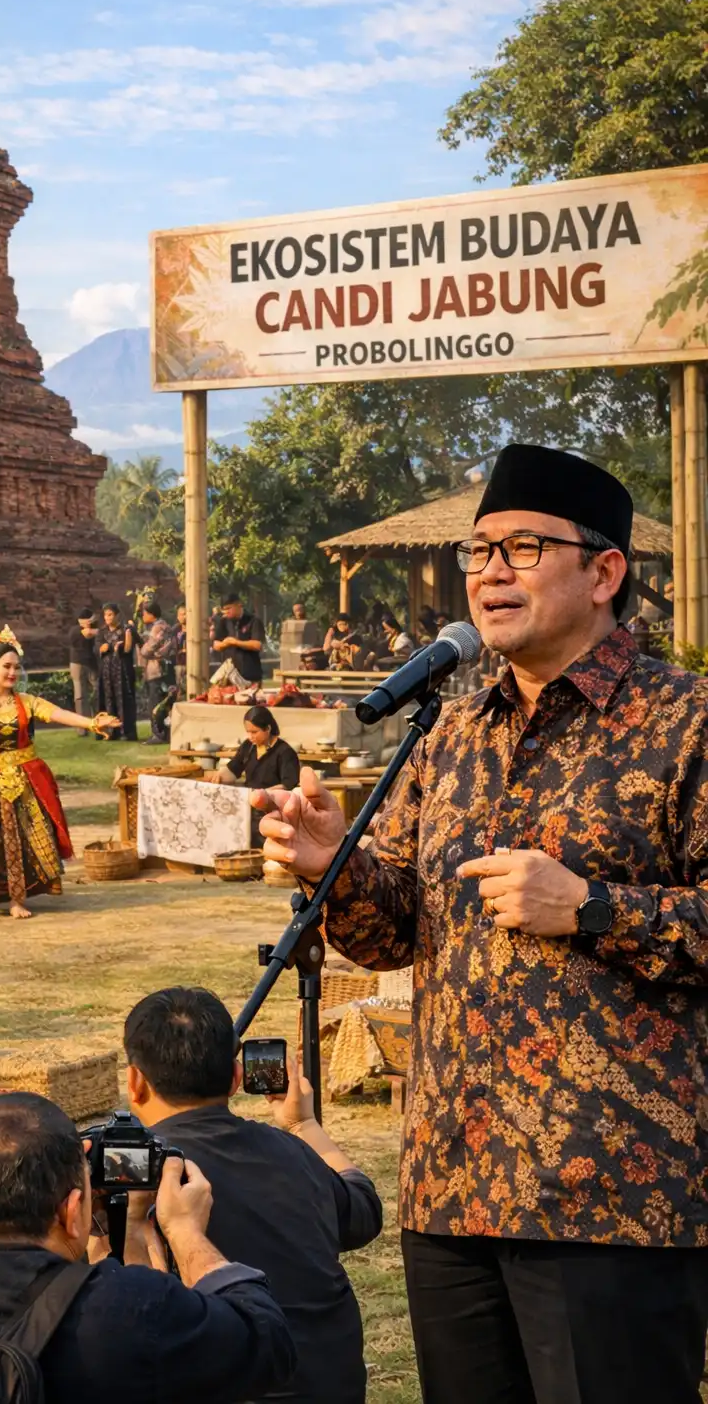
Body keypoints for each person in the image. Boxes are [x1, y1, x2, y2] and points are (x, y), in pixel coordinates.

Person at [256, 441, 708, 1404]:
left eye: (522, 548)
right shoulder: (449, 731)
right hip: (453, 1182)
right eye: (477, 552)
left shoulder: (687, 722)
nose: (490, 572)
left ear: (604, 573)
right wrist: (333, 869)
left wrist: (589, 907)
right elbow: (395, 936)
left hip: (611, 1197)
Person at [0, 1092, 297, 1404]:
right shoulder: (129, 1309)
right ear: (72, 1209)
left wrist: (101, 1237)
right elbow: (267, 1345)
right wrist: (184, 1232)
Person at [124, 987, 382, 1404]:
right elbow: (364, 1211)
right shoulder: (293, 1151)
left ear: (135, 1082)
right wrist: (304, 1126)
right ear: (236, 1078)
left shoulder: (133, 1174)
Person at [0, 622, 117, 919]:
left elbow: (57, 713)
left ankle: (17, 900)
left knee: (21, 844)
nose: (12, 673)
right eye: (6, 666)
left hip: (25, 784)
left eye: (16, 667)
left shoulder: (26, 703)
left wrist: (92, 723)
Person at [205, 705, 300, 847]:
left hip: (271, 809)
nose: (250, 736)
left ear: (267, 729)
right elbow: (234, 768)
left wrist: (262, 795)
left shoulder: (285, 752)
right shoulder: (248, 747)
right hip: (248, 807)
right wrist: (219, 777)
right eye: (248, 732)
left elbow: (288, 784)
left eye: (254, 732)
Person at [95, 602, 137, 741]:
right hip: (107, 672)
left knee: (123, 699)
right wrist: (102, 648)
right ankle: (110, 731)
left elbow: (128, 649)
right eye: (105, 615)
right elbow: (96, 648)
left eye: (110, 614)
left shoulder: (126, 630)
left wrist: (121, 645)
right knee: (108, 699)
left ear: (117, 615)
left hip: (122, 671)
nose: (107, 618)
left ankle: (125, 731)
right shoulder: (102, 632)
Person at [137, 599, 175, 744]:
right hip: (159, 670)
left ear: (151, 613)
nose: (142, 616)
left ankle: (159, 734)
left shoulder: (158, 627)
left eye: (144, 613)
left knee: (156, 703)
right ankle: (162, 733)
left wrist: (142, 646)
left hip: (157, 671)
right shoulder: (160, 626)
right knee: (161, 702)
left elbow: (148, 650)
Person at [211, 594, 265, 688]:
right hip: (229, 675)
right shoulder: (223, 622)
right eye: (224, 609)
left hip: (250, 674)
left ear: (238, 605)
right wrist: (225, 643)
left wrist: (236, 642)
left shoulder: (253, 620)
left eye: (229, 608)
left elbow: (257, 645)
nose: (226, 612)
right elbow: (216, 645)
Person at [68, 609, 99, 734]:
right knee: (80, 696)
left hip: (91, 664)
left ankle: (98, 721)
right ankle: (82, 727)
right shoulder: (75, 631)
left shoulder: (94, 628)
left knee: (99, 690)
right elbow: (88, 633)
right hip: (78, 664)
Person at [173, 603, 188, 692]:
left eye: (185, 614)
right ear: (178, 616)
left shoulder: (194, 629)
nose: (183, 617)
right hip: (178, 664)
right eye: (181, 614)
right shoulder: (175, 630)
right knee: (180, 689)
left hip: (191, 664)